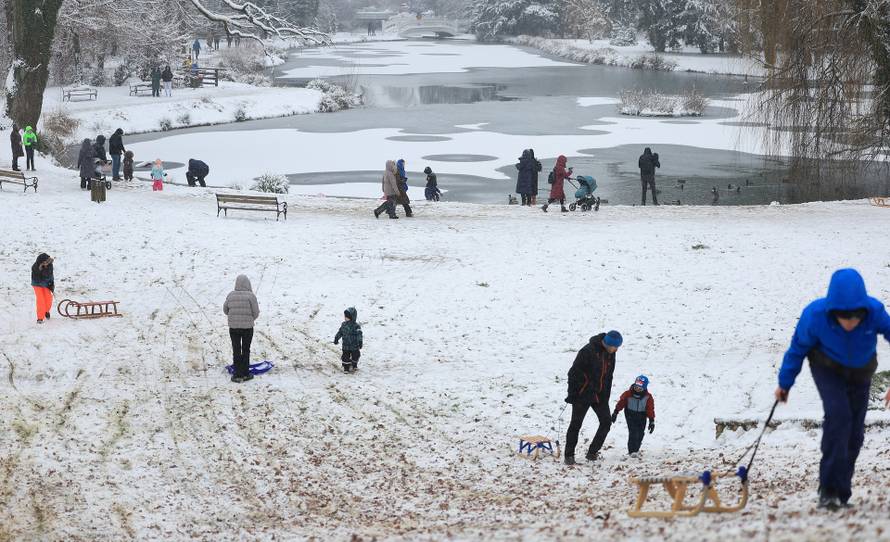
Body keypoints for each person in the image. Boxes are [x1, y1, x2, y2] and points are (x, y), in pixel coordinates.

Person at [776, 268, 890, 510]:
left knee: (855, 434)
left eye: (855, 316)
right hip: (827, 368)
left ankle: (842, 492)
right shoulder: (814, 316)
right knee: (839, 417)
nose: (850, 323)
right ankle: (827, 489)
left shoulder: (876, 312)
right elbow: (797, 349)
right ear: (832, 311)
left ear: (864, 310)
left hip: (861, 372)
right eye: (843, 316)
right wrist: (785, 384)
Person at [564, 330, 623, 465]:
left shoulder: (611, 354)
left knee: (606, 422)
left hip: (600, 395)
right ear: (608, 344)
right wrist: (573, 393)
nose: (616, 350)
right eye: (615, 347)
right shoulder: (587, 351)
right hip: (582, 395)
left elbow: (608, 376)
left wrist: (606, 395)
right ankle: (569, 455)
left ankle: (592, 452)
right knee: (576, 424)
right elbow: (573, 373)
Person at [223, 274, 260, 383]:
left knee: (236, 349)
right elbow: (256, 313)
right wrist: (249, 319)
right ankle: (245, 373)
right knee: (245, 349)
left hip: (233, 328)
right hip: (247, 328)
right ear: (248, 284)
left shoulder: (230, 295)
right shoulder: (251, 296)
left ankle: (237, 374)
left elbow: (225, 310)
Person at [611, 375, 655, 455]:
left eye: (640, 388)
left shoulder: (648, 397)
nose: (637, 389)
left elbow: (650, 409)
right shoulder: (628, 394)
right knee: (633, 432)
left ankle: (636, 449)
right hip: (630, 414)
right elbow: (621, 403)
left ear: (644, 388)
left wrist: (651, 421)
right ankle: (631, 451)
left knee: (640, 433)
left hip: (642, 415)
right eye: (636, 387)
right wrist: (615, 412)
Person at [334, 307, 363, 373]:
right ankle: (346, 368)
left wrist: (360, 341)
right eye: (345, 316)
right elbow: (340, 332)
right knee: (345, 357)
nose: (345, 317)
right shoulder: (343, 325)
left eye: (347, 316)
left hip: (354, 346)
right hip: (346, 346)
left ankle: (354, 365)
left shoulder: (356, 326)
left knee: (356, 355)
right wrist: (336, 338)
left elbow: (359, 334)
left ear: (352, 317)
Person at [31, 253, 54, 325]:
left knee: (49, 298)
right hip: (37, 284)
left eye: (48, 262)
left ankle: (46, 311)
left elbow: (50, 275)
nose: (47, 263)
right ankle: (40, 317)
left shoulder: (50, 265)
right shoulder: (35, 267)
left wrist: (52, 284)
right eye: (45, 262)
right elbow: (38, 278)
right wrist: (42, 268)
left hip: (46, 284)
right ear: (41, 262)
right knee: (41, 300)